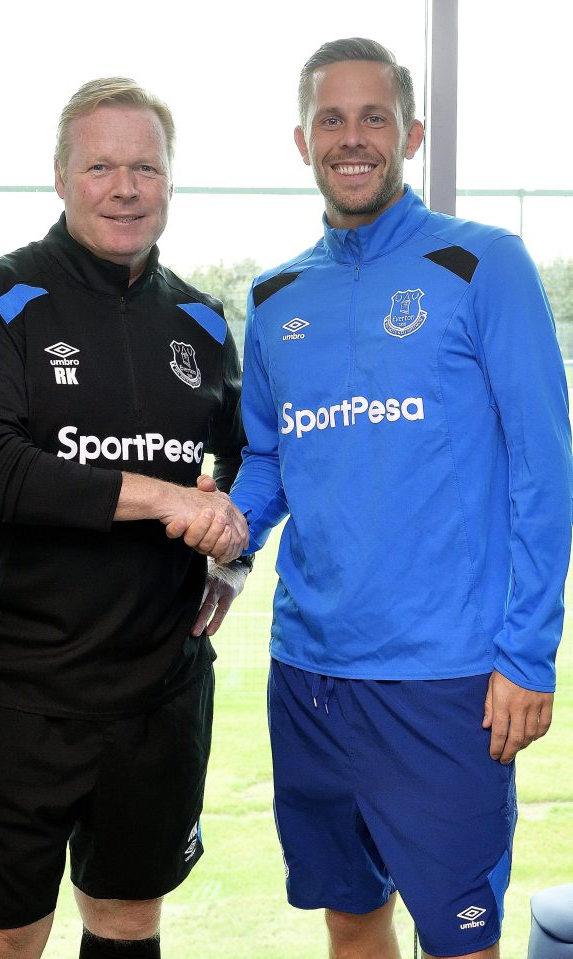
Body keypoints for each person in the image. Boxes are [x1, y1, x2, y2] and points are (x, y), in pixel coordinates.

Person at [225, 37, 572, 959]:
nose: (351, 137)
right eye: (329, 119)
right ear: (300, 142)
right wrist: (228, 534)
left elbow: (544, 468)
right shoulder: (274, 296)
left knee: (460, 941)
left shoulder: (483, 264)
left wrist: (528, 653)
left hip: (446, 681)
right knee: (350, 920)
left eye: (371, 116)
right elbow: (268, 461)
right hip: (309, 676)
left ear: (410, 133)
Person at [0, 78, 250, 959]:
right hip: (11, 695)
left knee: (126, 920)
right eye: (102, 165)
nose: (125, 186)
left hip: (158, 691)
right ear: (62, 177)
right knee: (1, 937)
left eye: (145, 166)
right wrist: (164, 494)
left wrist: (231, 558)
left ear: (170, 181)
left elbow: (254, 457)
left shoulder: (201, 321)